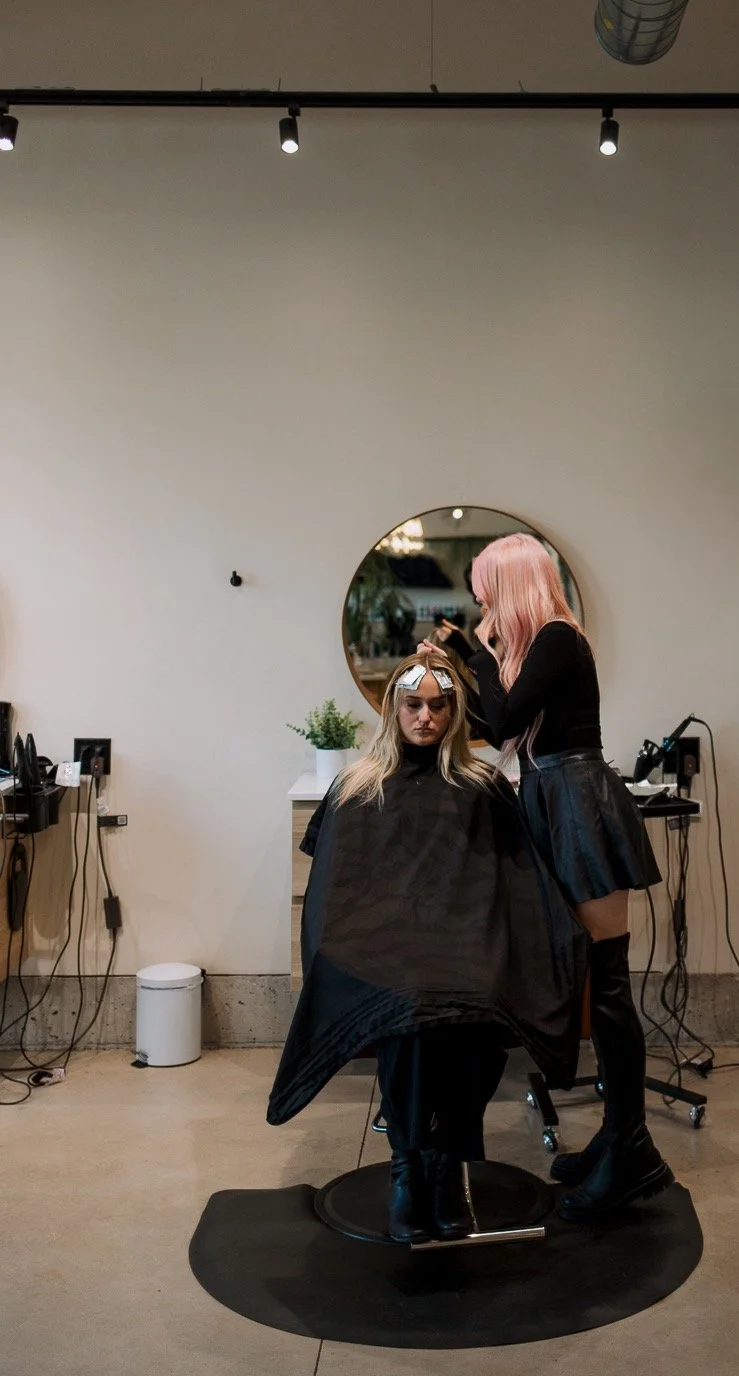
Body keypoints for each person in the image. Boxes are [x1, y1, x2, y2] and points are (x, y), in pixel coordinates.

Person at [267, 654, 585, 1245]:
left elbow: (511, 882)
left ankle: (442, 1169)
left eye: (439, 705)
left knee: (474, 1001)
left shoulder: (481, 785)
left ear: (454, 711)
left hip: (462, 940)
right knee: (413, 1007)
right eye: (413, 704)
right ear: (394, 709)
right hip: (378, 949)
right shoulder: (358, 786)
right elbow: (337, 892)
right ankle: (410, 1172)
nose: (426, 716)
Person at [459, 532, 672, 1221]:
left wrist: (475, 653)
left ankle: (631, 1148)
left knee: (607, 985)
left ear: (511, 586)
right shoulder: (547, 645)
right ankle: (619, 1141)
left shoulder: (555, 638)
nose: (481, 601)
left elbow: (499, 722)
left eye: (487, 589)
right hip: (555, 797)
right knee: (591, 978)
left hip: (578, 804)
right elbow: (506, 728)